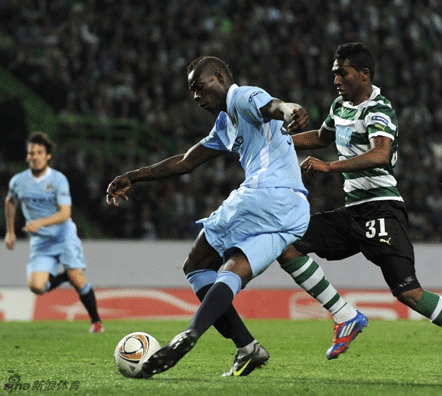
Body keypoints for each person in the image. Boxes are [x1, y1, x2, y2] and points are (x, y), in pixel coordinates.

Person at [106, 56, 362, 378]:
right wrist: (136, 175)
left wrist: (291, 111)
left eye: (199, 88)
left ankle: (190, 334)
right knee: (231, 270)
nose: (197, 97)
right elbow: (186, 161)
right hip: (292, 212)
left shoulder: (241, 97)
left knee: (196, 265)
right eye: (192, 92)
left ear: (217, 77)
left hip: (266, 194)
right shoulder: (226, 124)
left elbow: (274, 106)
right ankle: (248, 349)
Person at [277, 42, 442, 376]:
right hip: (353, 210)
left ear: (364, 74)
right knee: (287, 245)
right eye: (335, 73)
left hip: (382, 210)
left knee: (410, 293)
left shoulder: (379, 109)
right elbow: (322, 139)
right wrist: (276, 140)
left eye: (343, 73)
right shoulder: (340, 106)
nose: (336, 80)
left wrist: (329, 168)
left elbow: (381, 154)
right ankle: (344, 316)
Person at [4, 132, 103, 333]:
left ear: (48, 155)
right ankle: (64, 276)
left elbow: (65, 213)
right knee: (37, 287)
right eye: (32, 153)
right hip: (41, 242)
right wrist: (10, 231)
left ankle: (96, 322)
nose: (35, 156)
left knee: (78, 280)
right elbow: (9, 201)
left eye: (40, 152)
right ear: (27, 156)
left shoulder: (58, 180)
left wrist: (39, 222)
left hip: (63, 236)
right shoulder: (19, 181)